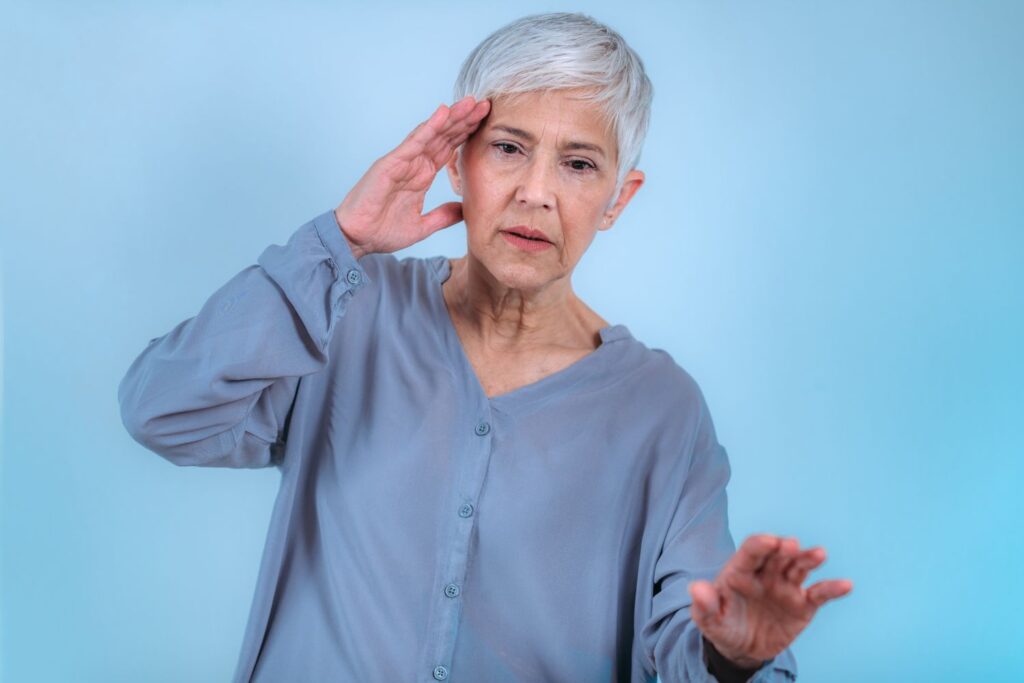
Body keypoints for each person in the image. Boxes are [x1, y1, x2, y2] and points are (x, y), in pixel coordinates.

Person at [118, 11, 852, 683]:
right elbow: (164, 410)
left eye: (578, 164)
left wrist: (734, 655)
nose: (535, 192)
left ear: (618, 200)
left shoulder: (662, 411)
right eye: (508, 148)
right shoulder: (346, 304)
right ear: (454, 161)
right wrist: (338, 244)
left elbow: (691, 648)